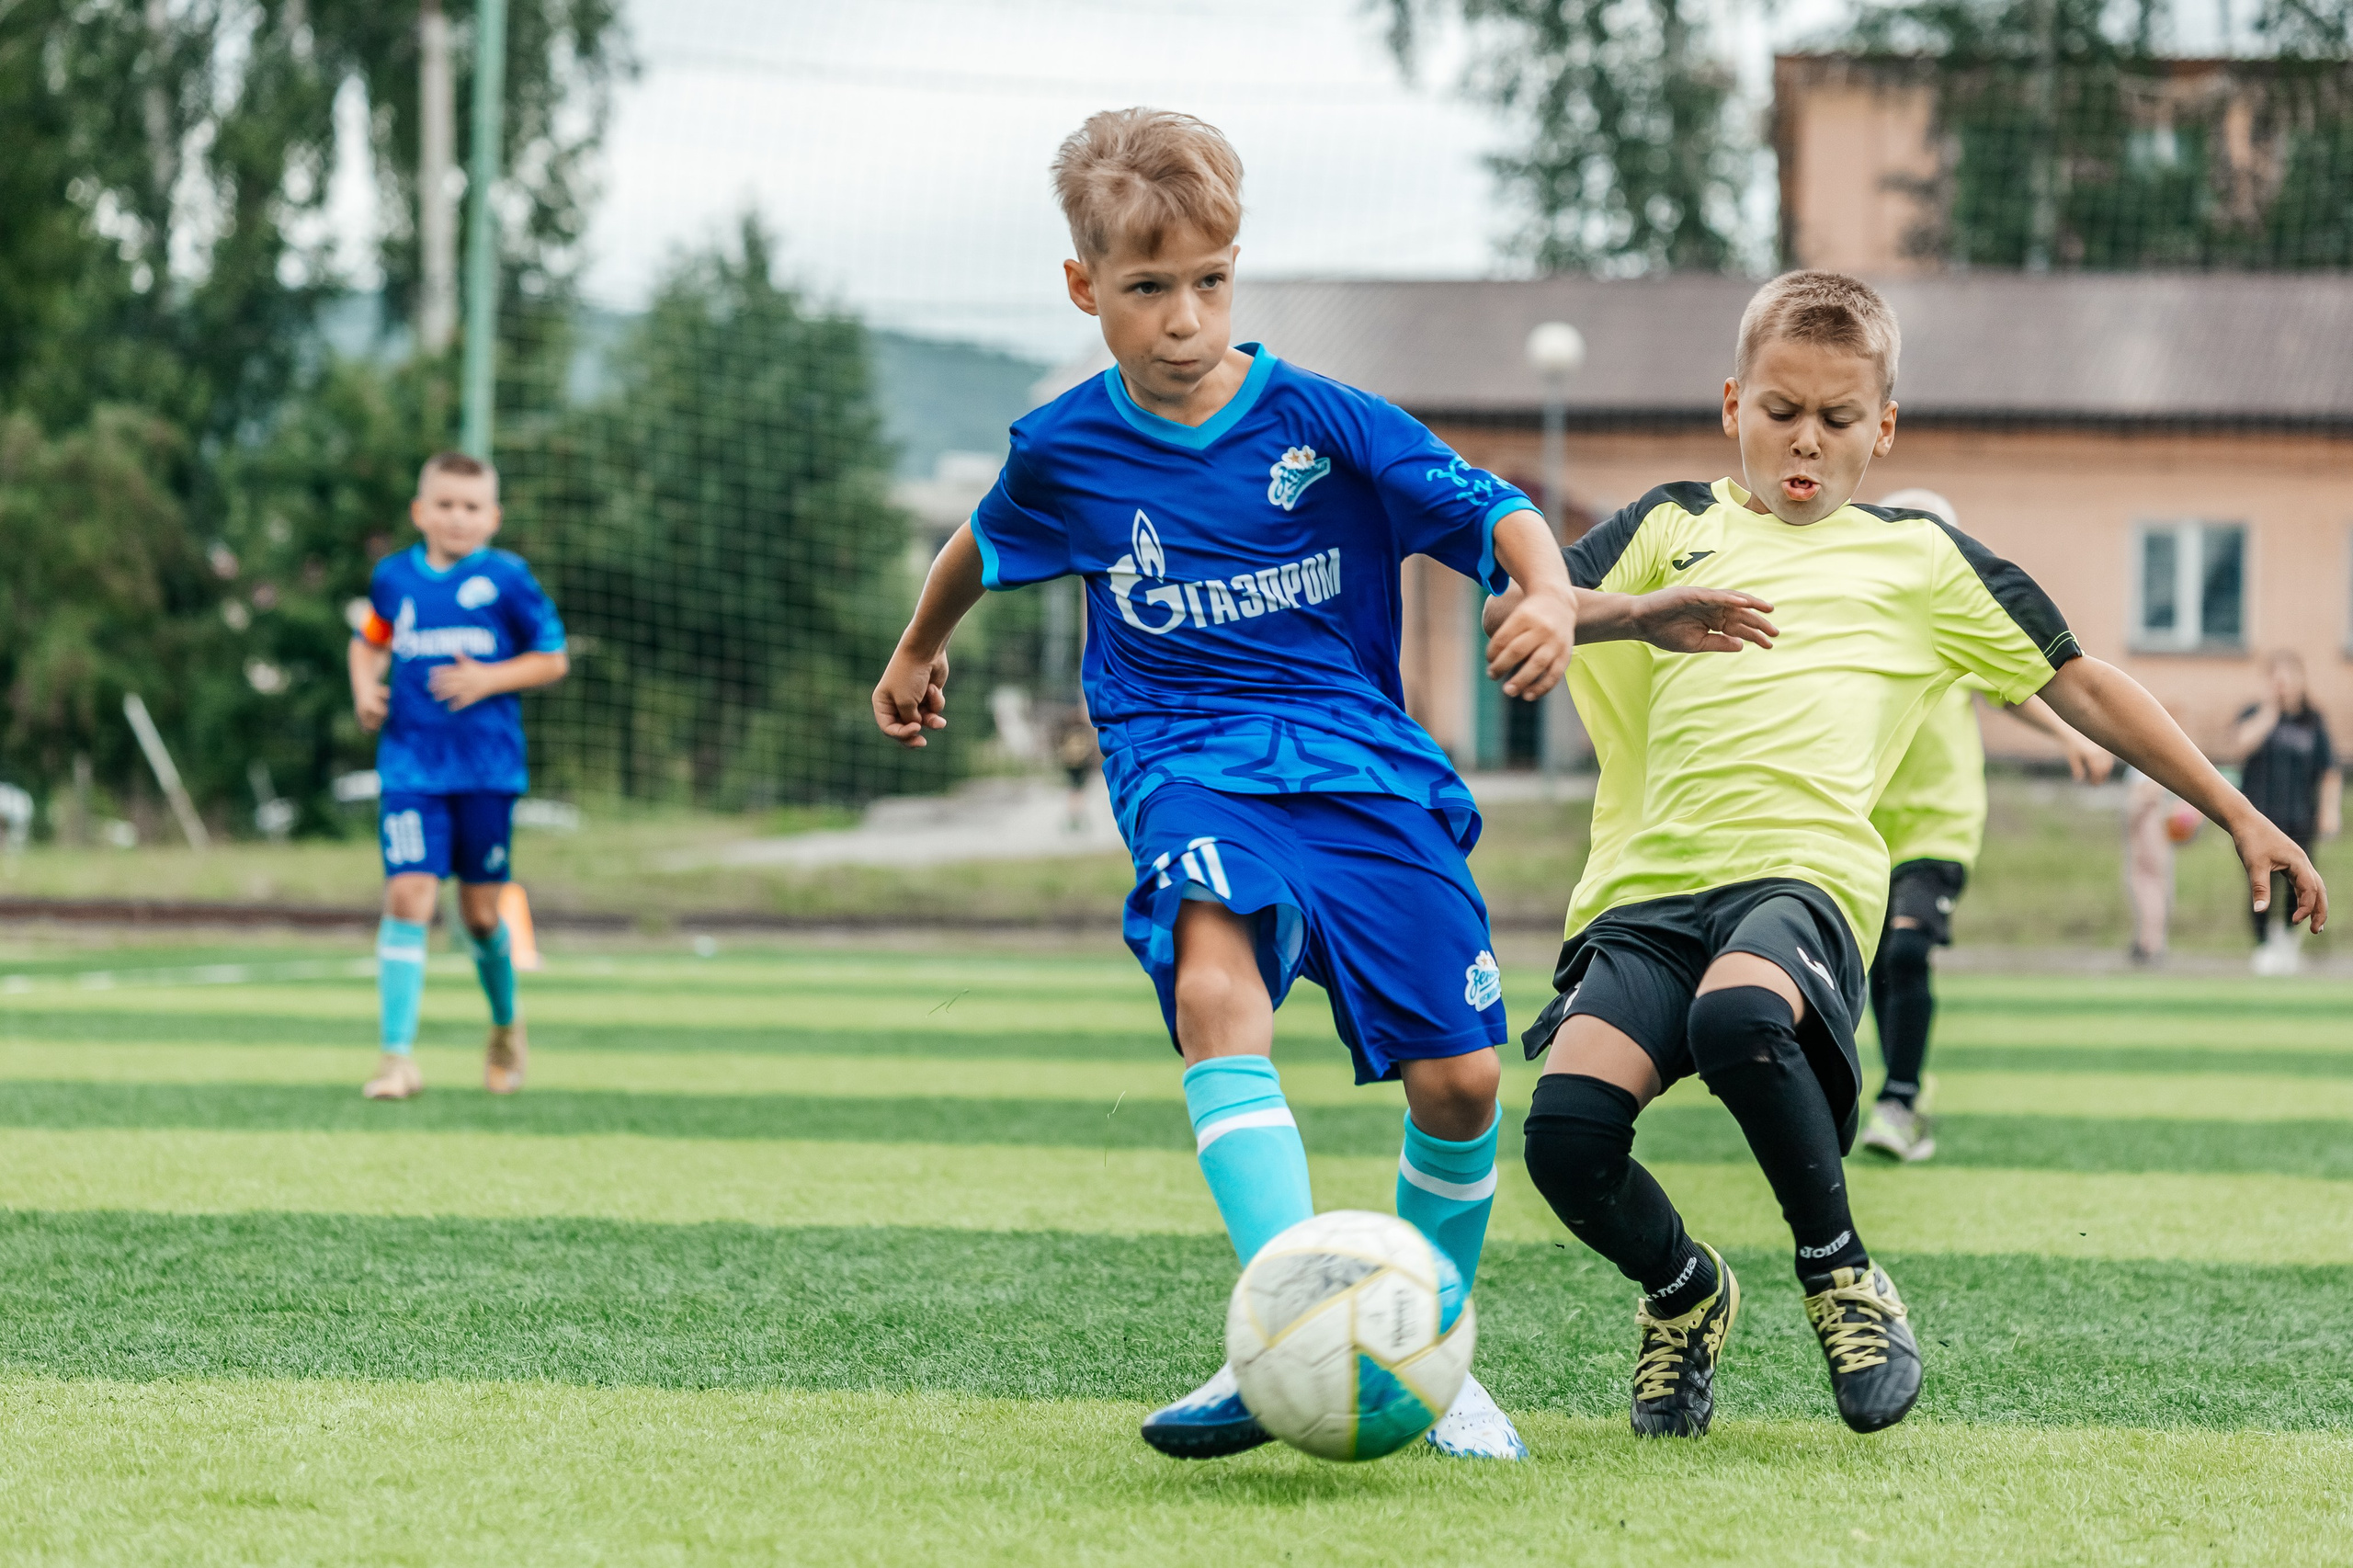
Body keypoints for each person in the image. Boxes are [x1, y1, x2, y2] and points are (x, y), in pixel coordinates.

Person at [870, 108, 1775, 1463]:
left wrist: (1554, 594)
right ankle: (1293, 1313)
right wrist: (916, 648)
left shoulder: (1323, 419)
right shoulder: (1065, 450)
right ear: (1082, 289)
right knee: (1213, 983)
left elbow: (1496, 512)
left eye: (1211, 282)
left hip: (1358, 763)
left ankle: (1427, 1339)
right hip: (1187, 761)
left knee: (1464, 1083)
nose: (1184, 319)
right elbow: (980, 540)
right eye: (1147, 288)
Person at [1491, 270, 2325, 1440]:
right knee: (1565, 1138)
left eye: (1838, 420)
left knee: (1741, 1020)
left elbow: (2078, 679)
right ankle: (1684, 1293)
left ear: (1882, 428)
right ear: (1733, 401)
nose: (1805, 441)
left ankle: (1841, 1273)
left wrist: (2237, 809)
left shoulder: (1923, 560)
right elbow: (1525, 599)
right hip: (1645, 891)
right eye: (1780, 410)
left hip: (1804, 882)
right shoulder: (1670, 525)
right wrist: (1639, 612)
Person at [1858, 488, 2113, 1164]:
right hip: (1864, 831)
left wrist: (2070, 739)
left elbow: (2016, 686)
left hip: (1940, 824)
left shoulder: (1957, 619)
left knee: (1907, 952)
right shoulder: (1863, 622)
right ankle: (1899, 1088)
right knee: (1876, 964)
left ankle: (1899, 1101)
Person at [348, 452, 569, 1101]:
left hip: (487, 772)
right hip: (411, 768)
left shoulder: (507, 579)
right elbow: (369, 638)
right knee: (409, 895)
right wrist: (365, 685)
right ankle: (396, 1059)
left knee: (478, 915)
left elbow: (552, 659)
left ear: (492, 517)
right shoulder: (394, 579)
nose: (457, 517)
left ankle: (505, 1025)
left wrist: (489, 678)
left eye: (471, 507)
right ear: (421, 512)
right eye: (445, 504)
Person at [2234, 651, 2341, 974]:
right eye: (2275, 679)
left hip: (2299, 819)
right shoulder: (2255, 714)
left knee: (2299, 884)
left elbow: (2329, 771)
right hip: (2259, 819)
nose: (2282, 685)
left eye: (2288, 678)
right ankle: (2263, 945)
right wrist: (2269, 712)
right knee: (2260, 884)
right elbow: (2240, 745)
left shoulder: (2312, 721)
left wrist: (2330, 813)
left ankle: (2288, 942)